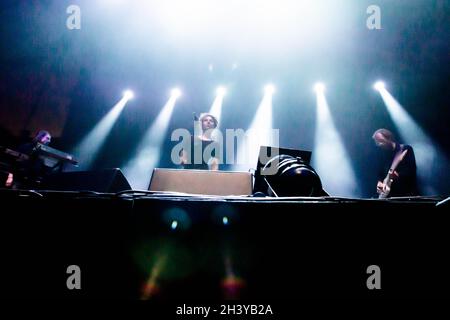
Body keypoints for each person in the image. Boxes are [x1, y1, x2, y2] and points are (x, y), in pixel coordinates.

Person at [372, 128, 418, 198]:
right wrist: (380, 182)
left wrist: (398, 176)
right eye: (377, 143)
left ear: (389, 138)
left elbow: (411, 171)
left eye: (381, 141)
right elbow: (380, 173)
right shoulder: (381, 155)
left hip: (405, 194)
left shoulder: (405, 149)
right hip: (388, 196)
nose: (379, 144)